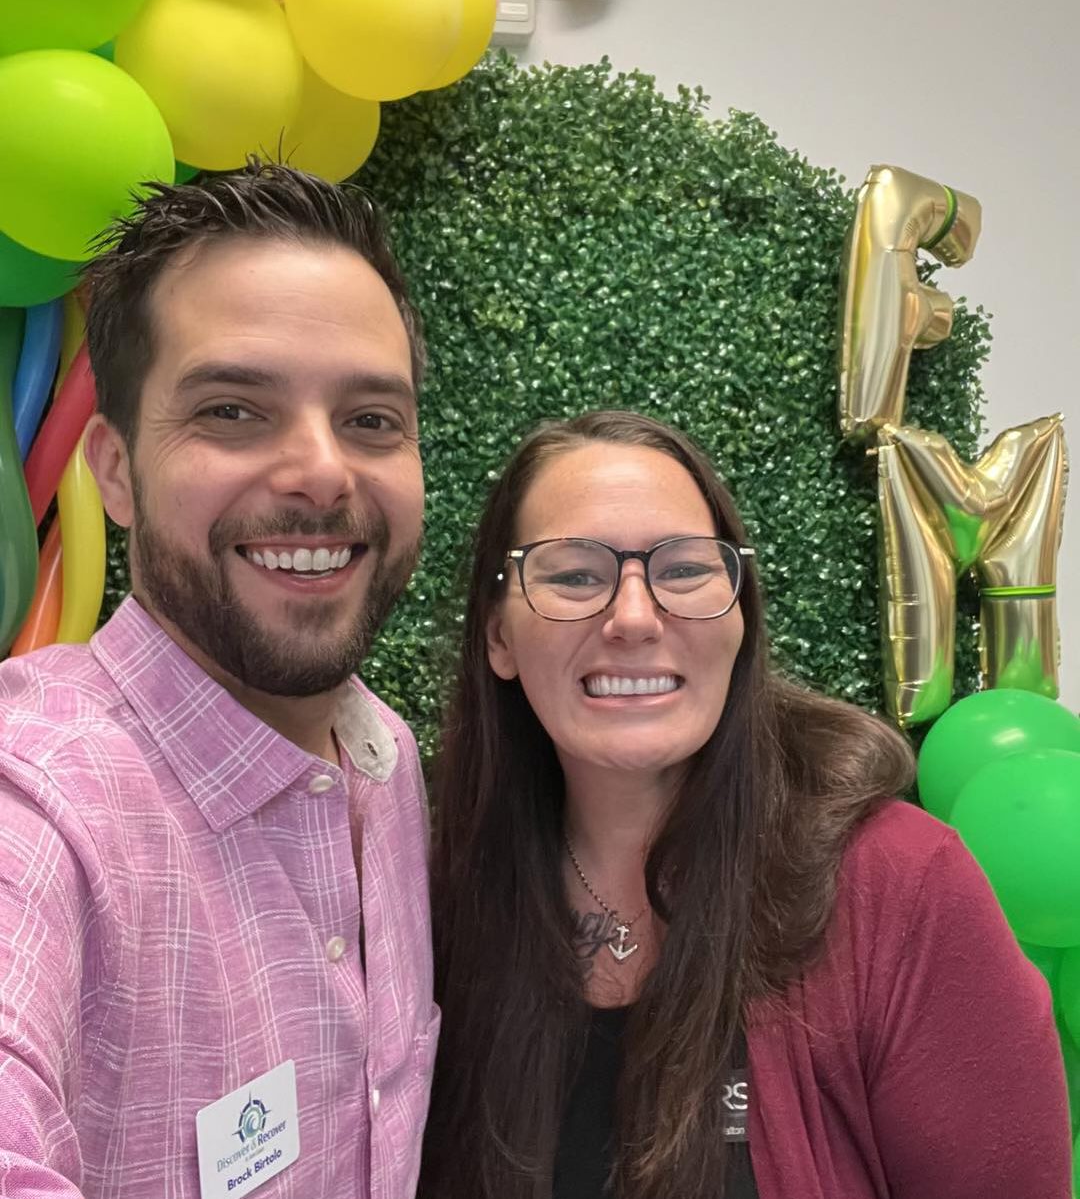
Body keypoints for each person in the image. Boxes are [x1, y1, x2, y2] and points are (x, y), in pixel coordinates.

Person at [420, 410, 1073, 1199]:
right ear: (498, 635)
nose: (634, 618)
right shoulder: (436, 903)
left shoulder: (902, 888)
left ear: (739, 614)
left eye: (684, 570)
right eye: (575, 576)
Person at [0, 162, 438, 1198]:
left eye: (372, 419)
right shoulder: (40, 804)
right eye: (235, 410)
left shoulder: (385, 756)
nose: (323, 471)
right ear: (115, 471)